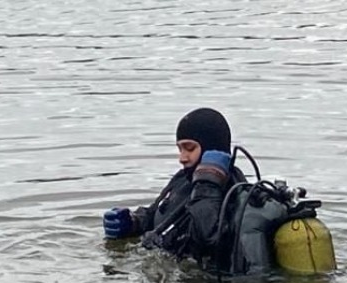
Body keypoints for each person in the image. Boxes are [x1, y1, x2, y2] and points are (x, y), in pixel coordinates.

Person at [102, 108, 247, 265]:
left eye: (189, 148)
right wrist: (133, 222)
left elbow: (210, 241)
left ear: (211, 149)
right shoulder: (182, 179)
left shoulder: (237, 195)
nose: (182, 158)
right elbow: (157, 212)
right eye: (180, 149)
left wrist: (207, 182)